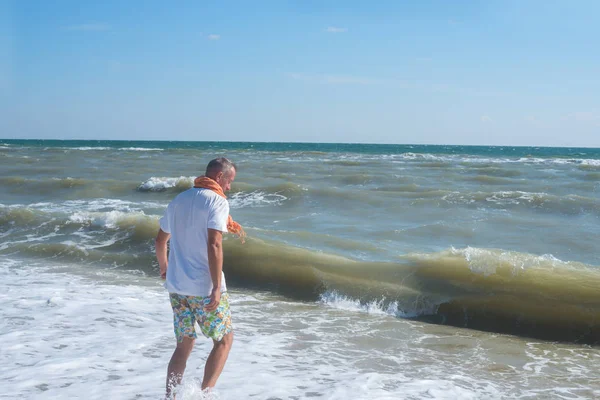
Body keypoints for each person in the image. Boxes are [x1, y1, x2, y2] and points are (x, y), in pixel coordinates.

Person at [155, 157, 244, 398]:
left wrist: (165, 268)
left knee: (183, 345)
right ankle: (205, 395)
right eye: (229, 181)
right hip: (203, 288)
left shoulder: (179, 199)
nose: (229, 188)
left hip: (177, 286)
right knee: (225, 340)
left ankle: (170, 396)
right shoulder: (216, 201)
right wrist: (216, 287)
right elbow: (214, 244)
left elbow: (160, 240)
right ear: (219, 177)